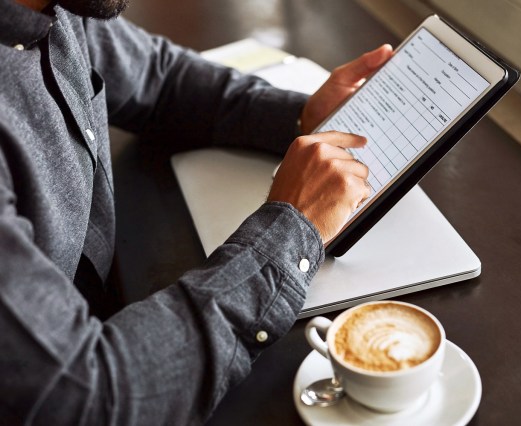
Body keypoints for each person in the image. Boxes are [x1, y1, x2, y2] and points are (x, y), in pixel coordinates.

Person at [0, 0, 393, 422]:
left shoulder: (57, 8)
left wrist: (300, 116)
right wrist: (292, 227)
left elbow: (159, 75)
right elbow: (90, 400)